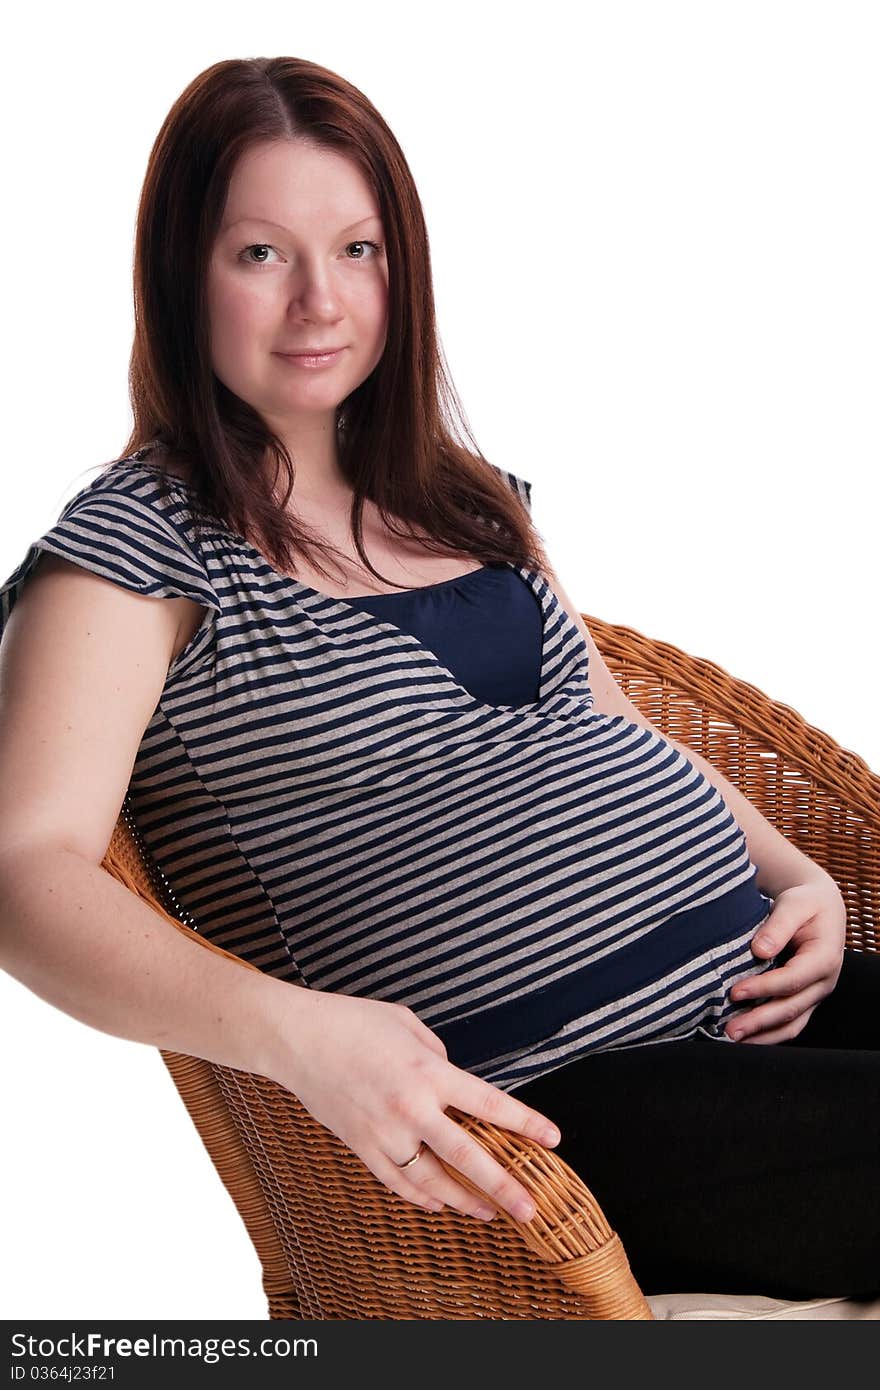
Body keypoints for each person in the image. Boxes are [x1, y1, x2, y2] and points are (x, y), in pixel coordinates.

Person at [0, 55, 876, 1303]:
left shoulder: (455, 487)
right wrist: (301, 1036)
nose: (319, 302)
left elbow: (608, 722)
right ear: (177, 270)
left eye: (356, 249)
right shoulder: (139, 545)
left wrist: (805, 883)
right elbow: (24, 870)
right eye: (260, 254)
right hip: (564, 1105)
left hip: (765, 994)